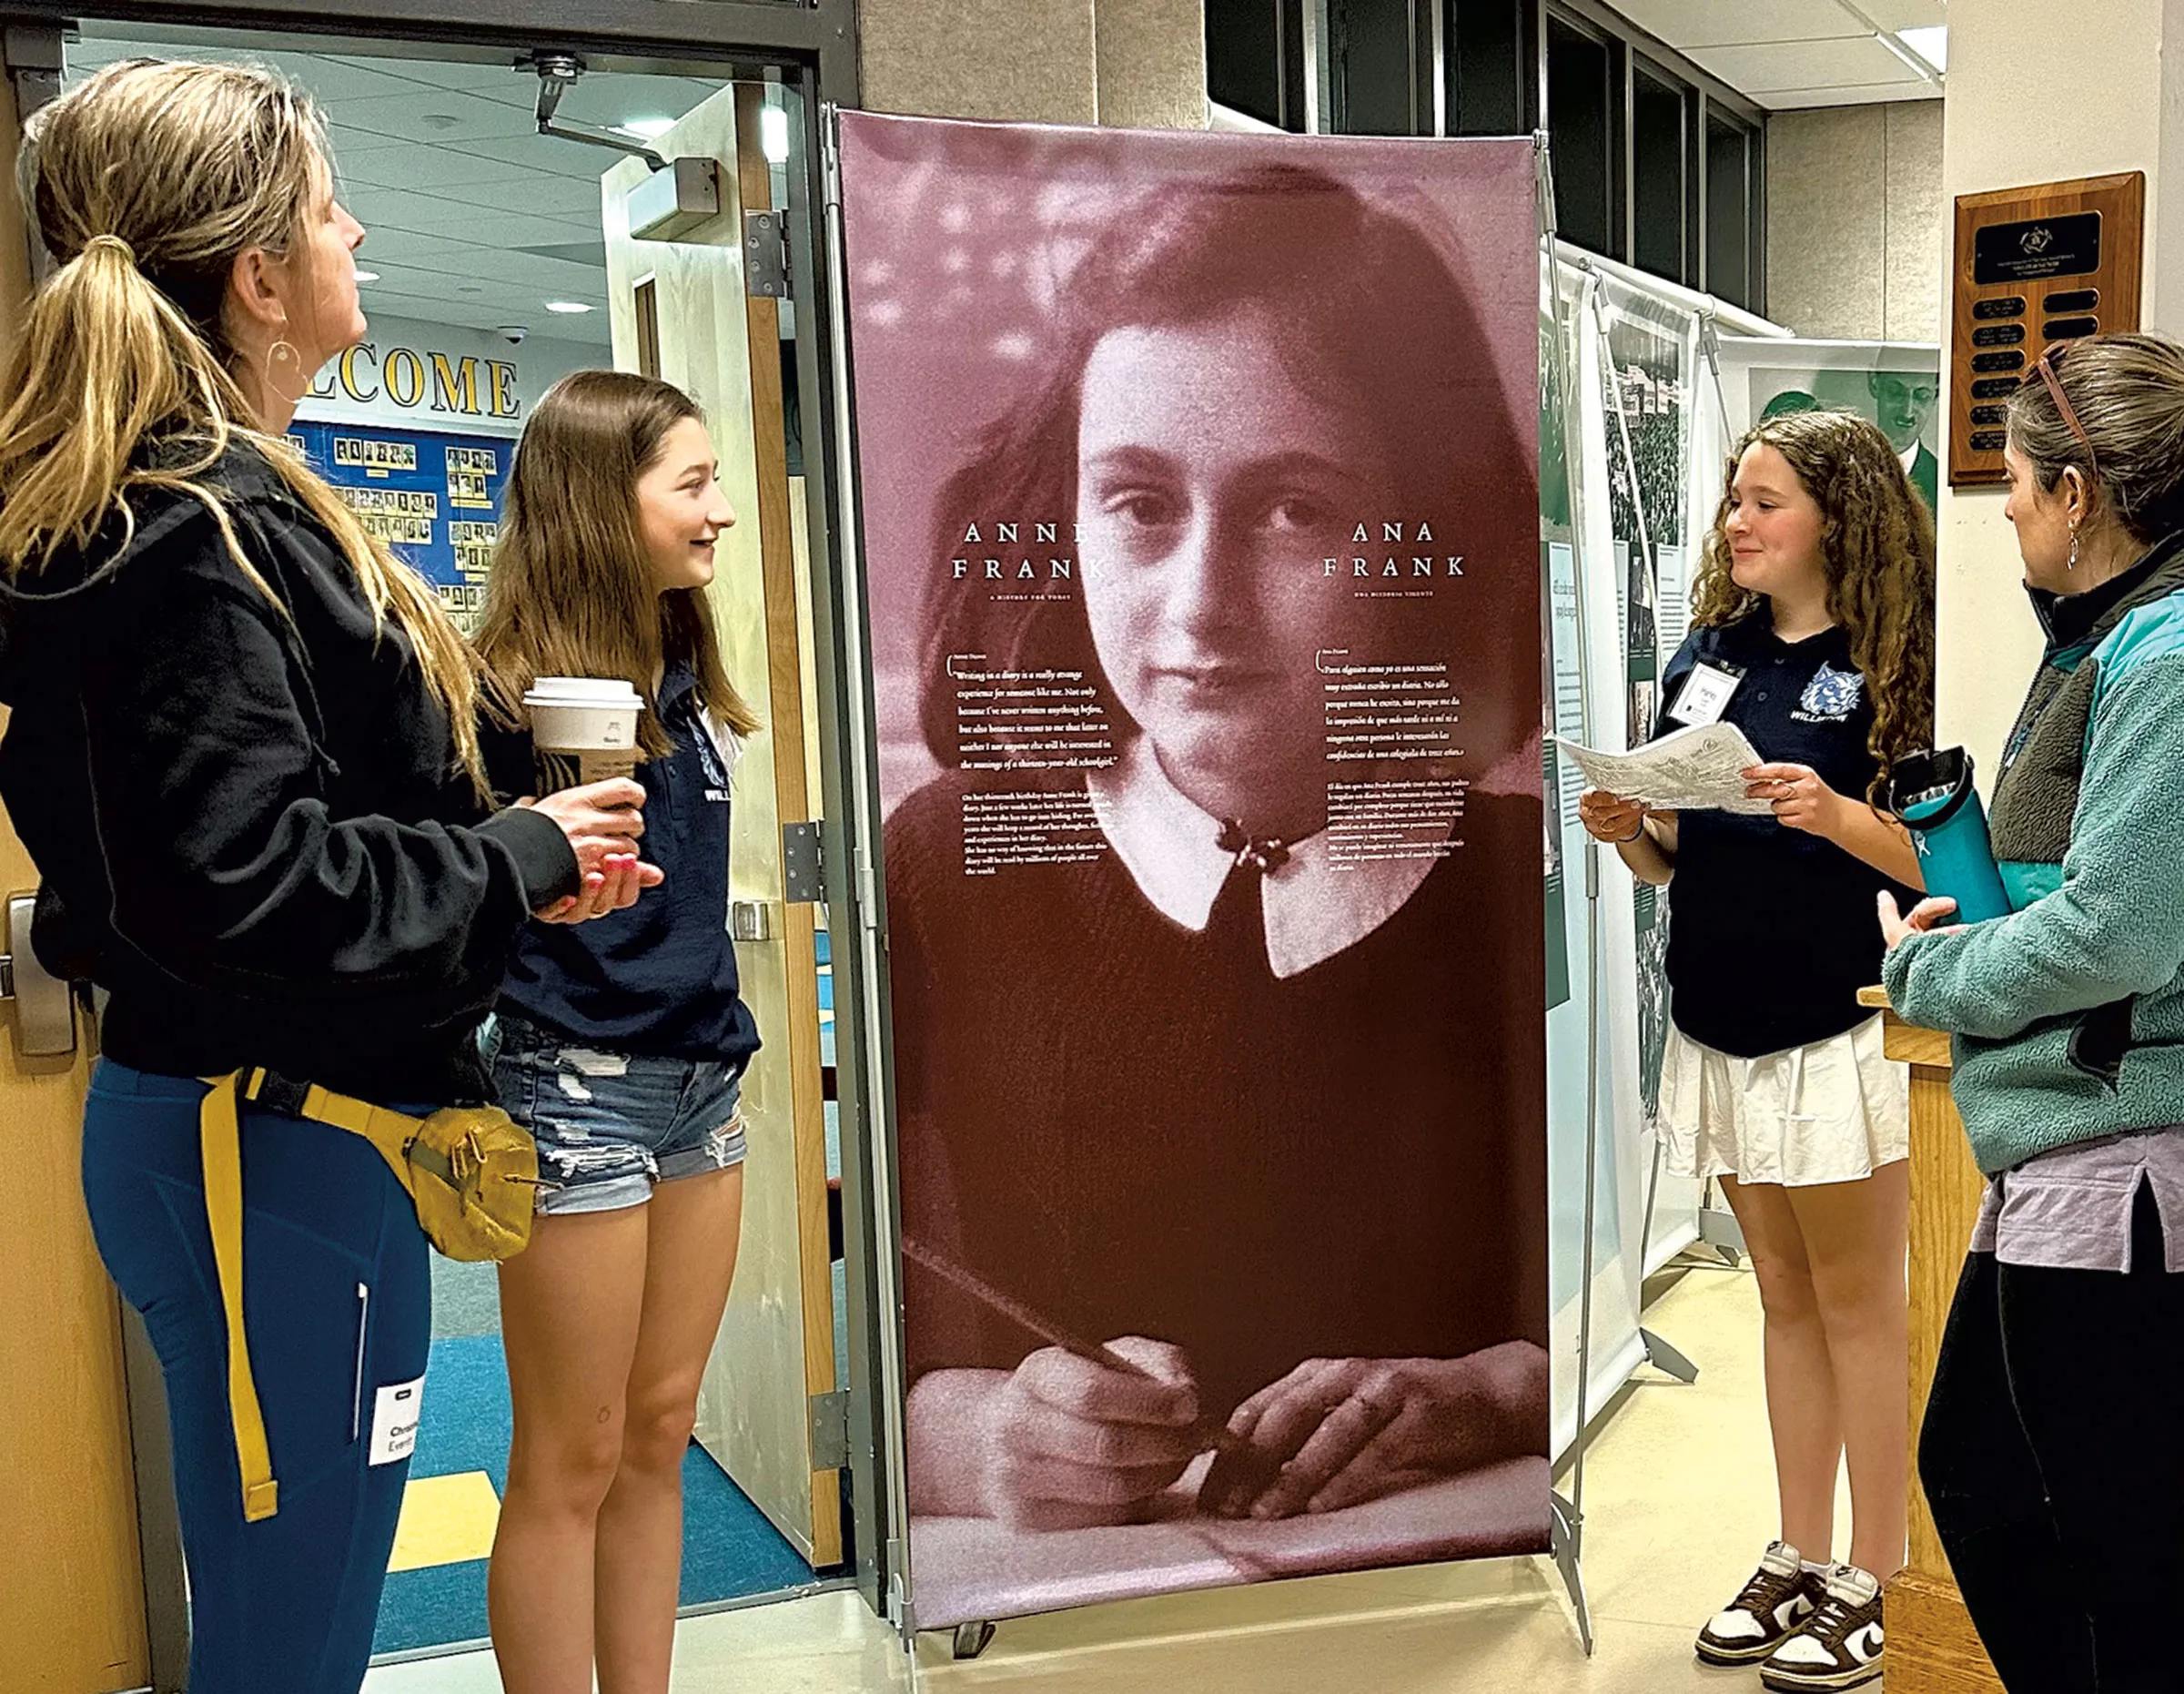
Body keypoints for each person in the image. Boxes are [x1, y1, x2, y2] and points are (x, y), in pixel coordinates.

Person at [0, 60, 653, 1694]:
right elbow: (249, 886)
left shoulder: (186, 510)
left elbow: (201, 852)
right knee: (289, 1637)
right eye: (325, 209)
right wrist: (511, 852)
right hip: (267, 1155)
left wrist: (503, 868)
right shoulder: (189, 528)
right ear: (261, 278)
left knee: (292, 1603)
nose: (356, 228)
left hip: (288, 1149)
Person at [888, 164, 1550, 1569]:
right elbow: (829, 1311)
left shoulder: (1529, 883)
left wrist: (1500, 1393)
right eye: (1136, 504)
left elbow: (1668, 1281)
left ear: (1425, 539)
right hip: (1071, 1630)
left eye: (1296, 509)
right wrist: (970, 1432)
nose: (1198, 608)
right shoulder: (947, 864)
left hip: (1455, 1618)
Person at [1579, 409, 1934, 1693]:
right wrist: (1629, 829)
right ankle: (1798, 1548)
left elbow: (1948, 864)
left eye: (1765, 500)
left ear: (1835, 518)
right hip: (1716, 1022)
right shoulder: (1703, 659)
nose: (1738, 521)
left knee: (1858, 1306)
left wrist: (1838, 812)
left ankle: (1878, 1573)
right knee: (1783, 1301)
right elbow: (1675, 858)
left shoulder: (1900, 665)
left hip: (1837, 1029)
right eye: (1735, 498)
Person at [1882, 332, 2184, 1694]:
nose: (2000, 505)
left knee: (2120, 1551)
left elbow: (2120, 929)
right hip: (2068, 1144)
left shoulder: (2169, 659)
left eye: (2008, 477)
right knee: (1986, 1479)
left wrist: (1930, 973)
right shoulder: (2115, 644)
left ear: (2079, 495)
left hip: (2127, 1162)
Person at [472, 370, 763, 1694]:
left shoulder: (686, 665)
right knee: (570, 1455)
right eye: (692, 486)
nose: (722, 515)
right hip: (569, 1087)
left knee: (660, 1432)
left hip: (704, 1078)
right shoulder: (497, 696)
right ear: (606, 504)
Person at [1866, 369, 1942, 512]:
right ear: (1874, 384)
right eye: (1896, 392)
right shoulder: (1843, 468)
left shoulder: (1940, 483)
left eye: (1921, 396)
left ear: (1936, 395)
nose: (1908, 412)